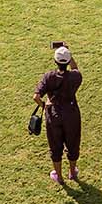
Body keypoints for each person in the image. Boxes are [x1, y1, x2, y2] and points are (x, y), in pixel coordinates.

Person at [34, 45, 84, 184]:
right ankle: (72, 172)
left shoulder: (48, 76)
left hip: (54, 115)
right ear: (67, 62)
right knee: (73, 143)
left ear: (55, 61)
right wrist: (69, 53)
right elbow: (75, 69)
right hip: (71, 114)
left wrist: (44, 105)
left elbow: (36, 97)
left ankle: (59, 177)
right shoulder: (75, 77)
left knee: (55, 146)